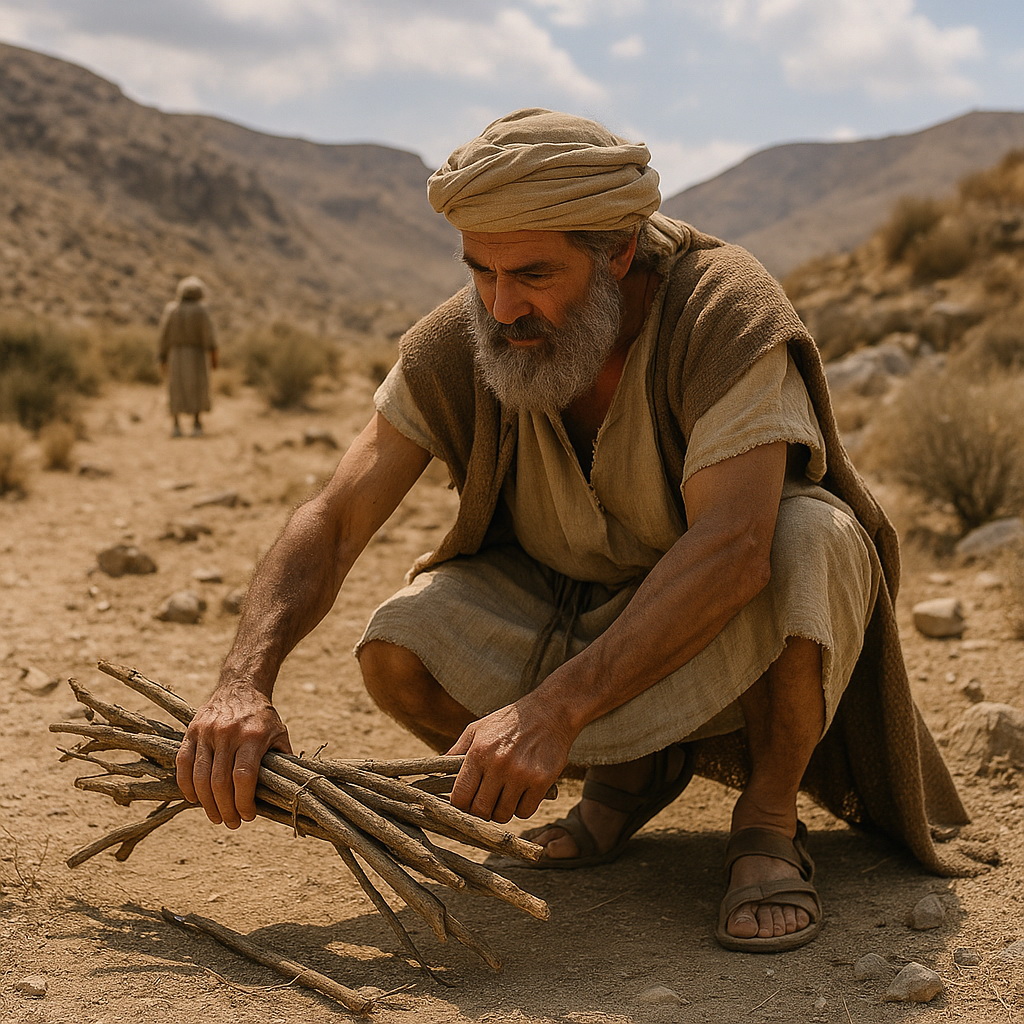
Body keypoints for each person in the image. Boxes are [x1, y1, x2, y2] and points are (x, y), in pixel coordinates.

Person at [175, 109, 973, 953]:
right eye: (479, 269)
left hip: (720, 601)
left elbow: (735, 548)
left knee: (806, 539)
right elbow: (335, 518)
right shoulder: (468, 333)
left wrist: (550, 713)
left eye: (531, 273)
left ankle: (768, 822)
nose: (500, 304)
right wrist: (242, 681)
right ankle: (634, 772)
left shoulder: (722, 309)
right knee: (399, 646)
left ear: (618, 253)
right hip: (567, 599)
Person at [158, 275, 218, 437]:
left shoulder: (172, 309)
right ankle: (196, 423)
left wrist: (162, 357)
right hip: (197, 355)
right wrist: (213, 356)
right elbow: (209, 336)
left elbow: (164, 335)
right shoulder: (201, 310)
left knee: (176, 388)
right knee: (197, 387)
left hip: (175, 355)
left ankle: (176, 425)